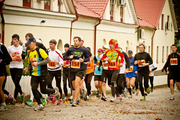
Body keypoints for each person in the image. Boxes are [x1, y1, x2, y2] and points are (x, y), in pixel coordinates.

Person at [24, 37, 60, 111]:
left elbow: (47, 60)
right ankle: (40, 104)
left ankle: (54, 91)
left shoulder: (40, 51)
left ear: (34, 43)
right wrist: (27, 68)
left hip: (42, 74)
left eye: (30, 44)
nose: (29, 45)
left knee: (43, 90)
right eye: (28, 44)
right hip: (34, 74)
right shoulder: (30, 53)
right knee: (33, 88)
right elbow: (30, 64)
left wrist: (38, 63)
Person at [64, 36, 89, 107]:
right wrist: (69, 58)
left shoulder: (83, 50)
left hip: (80, 69)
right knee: (74, 85)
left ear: (80, 42)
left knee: (77, 82)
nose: (75, 42)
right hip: (72, 69)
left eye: (76, 41)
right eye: (74, 41)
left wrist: (83, 60)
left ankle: (75, 100)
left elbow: (88, 58)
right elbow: (64, 57)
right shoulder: (70, 49)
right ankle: (77, 96)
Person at [7, 34, 25, 104]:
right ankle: (21, 93)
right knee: (15, 83)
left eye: (15, 40)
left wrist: (22, 58)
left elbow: (25, 56)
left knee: (17, 82)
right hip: (12, 67)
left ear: (18, 40)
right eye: (13, 40)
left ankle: (15, 98)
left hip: (19, 67)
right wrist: (11, 58)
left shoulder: (21, 48)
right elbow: (7, 57)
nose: (14, 41)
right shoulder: (9, 48)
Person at [47, 39, 64, 105]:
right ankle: (52, 95)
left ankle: (60, 99)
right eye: (49, 44)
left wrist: (58, 62)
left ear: (55, 45)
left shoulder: (58, 52)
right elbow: (46, 60)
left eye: (51, 44)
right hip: (50, 70)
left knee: (58, 85)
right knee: (48, 83)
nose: (50, 46)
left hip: (57, 70)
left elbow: (62, 62)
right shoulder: (48, 52)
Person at [0, 43, 12, 112]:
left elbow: (9, 59)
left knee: (0, 88)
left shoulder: (2, 47)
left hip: (1, 70)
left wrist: (1, 60)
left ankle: (4, 104)